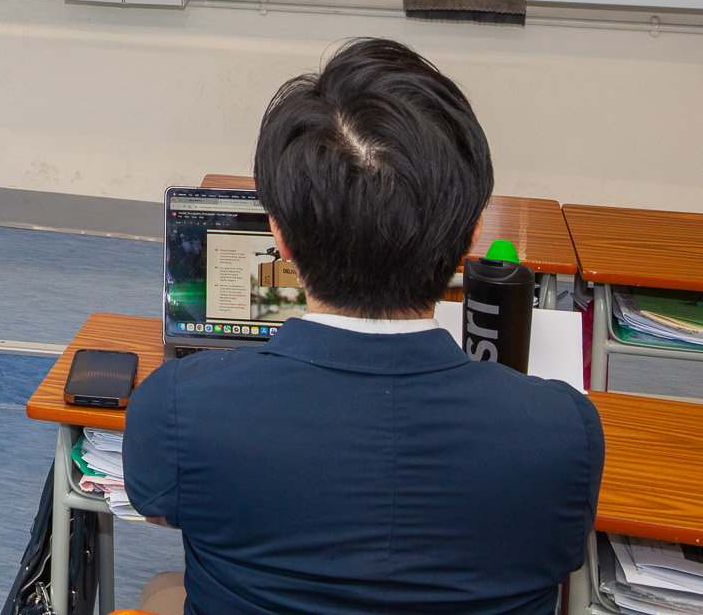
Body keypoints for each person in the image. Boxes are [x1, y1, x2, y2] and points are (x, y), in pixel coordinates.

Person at [122, 37, 603, 615]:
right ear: (471, 237)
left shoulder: (176, 408)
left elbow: (161, 507)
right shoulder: (564, 433)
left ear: (280, 238)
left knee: (159, 591)